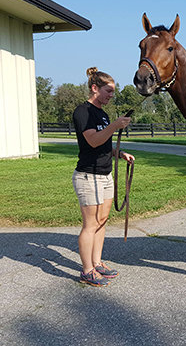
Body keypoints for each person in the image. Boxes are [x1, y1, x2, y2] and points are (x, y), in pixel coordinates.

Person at [72, 67, 135, 287]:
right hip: (88, 176)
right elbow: (93, 141)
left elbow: (105, 146)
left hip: (105, 175)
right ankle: (87, 270)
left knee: (102, 221)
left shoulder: (103, 114)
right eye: (108, 91)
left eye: (112, 92)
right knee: (90, 224)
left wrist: (120, 154)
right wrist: (115, 126)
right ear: (94, 88)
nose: (111, 95)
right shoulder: (83, 112)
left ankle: (97, 262)